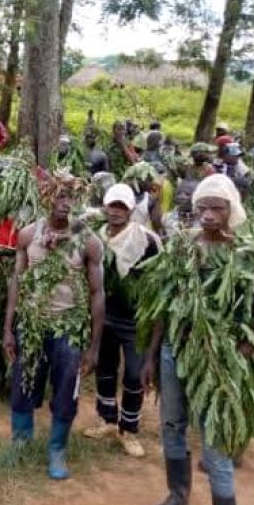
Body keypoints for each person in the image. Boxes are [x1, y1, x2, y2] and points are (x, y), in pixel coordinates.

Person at [139, 174, 254, 505]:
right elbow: (164, 309)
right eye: (203, 207)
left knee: (215, 444)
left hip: (220, 361)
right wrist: (153, 356)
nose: (209, 215)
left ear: (232, 210)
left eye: (218, 207)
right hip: (175, 352)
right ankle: (178, 497)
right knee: (171, 425)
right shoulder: (182, 247)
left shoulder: (248, 254)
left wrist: (239, 355)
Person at [2, 172, 105, 480]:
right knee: (23, 384)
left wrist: (93, 347)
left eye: (72, 198)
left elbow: (98, 293)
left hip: (69, 330)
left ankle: (57, 449)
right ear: (46, 198)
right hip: (31, 325)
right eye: (59, 196)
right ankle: (20, 442)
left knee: (65, 392)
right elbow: (17, 283)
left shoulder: (88, 242)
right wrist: (9, 328)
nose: (65, 203)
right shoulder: (28, 235)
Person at [83, 184, 161, 457]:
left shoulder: (146, 241)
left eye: (122, 207)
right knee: (105, 368)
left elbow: (157, 282)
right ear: (105, 206)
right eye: (112, 206)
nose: (116, 212)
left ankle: (129, 429)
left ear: (130, 210)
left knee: (133, 374)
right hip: (104, 317)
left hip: (135, 320)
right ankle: (107, 419)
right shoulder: (94, 236)